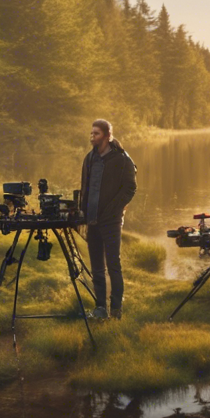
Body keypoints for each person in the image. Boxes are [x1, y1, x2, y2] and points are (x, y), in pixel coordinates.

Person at [78, 119, 137, 320]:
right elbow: (85, 189)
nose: (92, 137)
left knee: (113, 265)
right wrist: (82, 214)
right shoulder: (89, 158)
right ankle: (100, 308)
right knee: (97, 267)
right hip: (92, 220)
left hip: (111, 221)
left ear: (107, 136)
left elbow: (130, 188)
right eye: (91, 133)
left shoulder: (122, 159)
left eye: (96, 133)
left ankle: (116, 310)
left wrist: (114, 210)